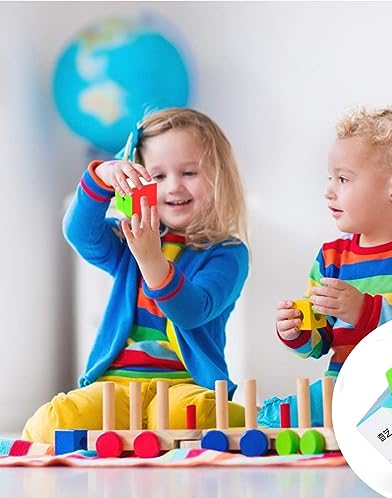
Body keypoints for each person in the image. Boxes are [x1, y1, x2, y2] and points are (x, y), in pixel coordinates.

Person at [23, 108, 249, 444]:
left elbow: (192, 310)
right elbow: (79, 232)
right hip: (115, 387)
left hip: (182, 386)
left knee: (196, 417)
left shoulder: (228, 252)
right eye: (157, 176)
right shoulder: (130, 236)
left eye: (189, 172)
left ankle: (181, 427)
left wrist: (151, 259)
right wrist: (103, 176)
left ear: (219, 176)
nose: (174, 186)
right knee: (51, 422)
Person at [258, 103, 392, 427]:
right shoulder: (330, 258)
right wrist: (297, 330)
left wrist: (366, 312)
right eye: (330, 178)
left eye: (343, 179)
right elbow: (320, 341)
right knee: (290, 414)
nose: (328, 191)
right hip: (346, 384)